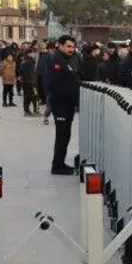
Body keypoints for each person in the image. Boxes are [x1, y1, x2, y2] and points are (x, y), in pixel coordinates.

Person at [47, 35, 81, 175]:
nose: (71, 49)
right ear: (60, 46)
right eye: (68, 46)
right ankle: (57, 166)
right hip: (60, 103)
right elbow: (55, 84)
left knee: (66, 134)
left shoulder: (68, 60)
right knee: (62, 135)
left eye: (73, 47)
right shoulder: (58, 61)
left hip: (68, 104)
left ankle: (60, 163)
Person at [19, 49, 39, 116]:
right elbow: (30, 73)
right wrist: (33, 82)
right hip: (31, 82)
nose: (34, 54)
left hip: (26, 82)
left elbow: (20, 72)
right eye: (33, 53)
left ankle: (27, 110)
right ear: (28, 54)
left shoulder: (25, 61)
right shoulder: (29, 62)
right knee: (34, 96)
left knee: (27, 96)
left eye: (34, 53)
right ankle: (34, 111)